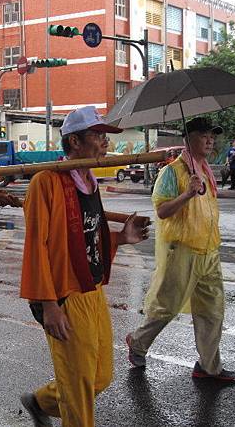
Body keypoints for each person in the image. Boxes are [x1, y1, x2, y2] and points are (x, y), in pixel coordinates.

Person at [19, 106, 148, 427]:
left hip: (91, 289)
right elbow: (37, 247)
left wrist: (119, 239)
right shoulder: (45, 183)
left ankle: (41, 401)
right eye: (98, 135)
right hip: (63, 294)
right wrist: (49, 305)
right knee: (78, 392)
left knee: (99, 377)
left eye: (105, 136)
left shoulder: (88, 180)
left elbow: (85, 236)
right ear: (74, 142)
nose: (105, 142)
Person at [126, 117, 235, 383]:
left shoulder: (205, 171)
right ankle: (138, 343)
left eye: (213, 136)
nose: (210, 140)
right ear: (189, 139)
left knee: (212, 310)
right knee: (167, 305)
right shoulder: (172, 172)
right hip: (182, 250)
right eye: (204, 135)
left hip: (208, 250)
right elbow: (162, 211)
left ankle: (209, 366)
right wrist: (187, 193)